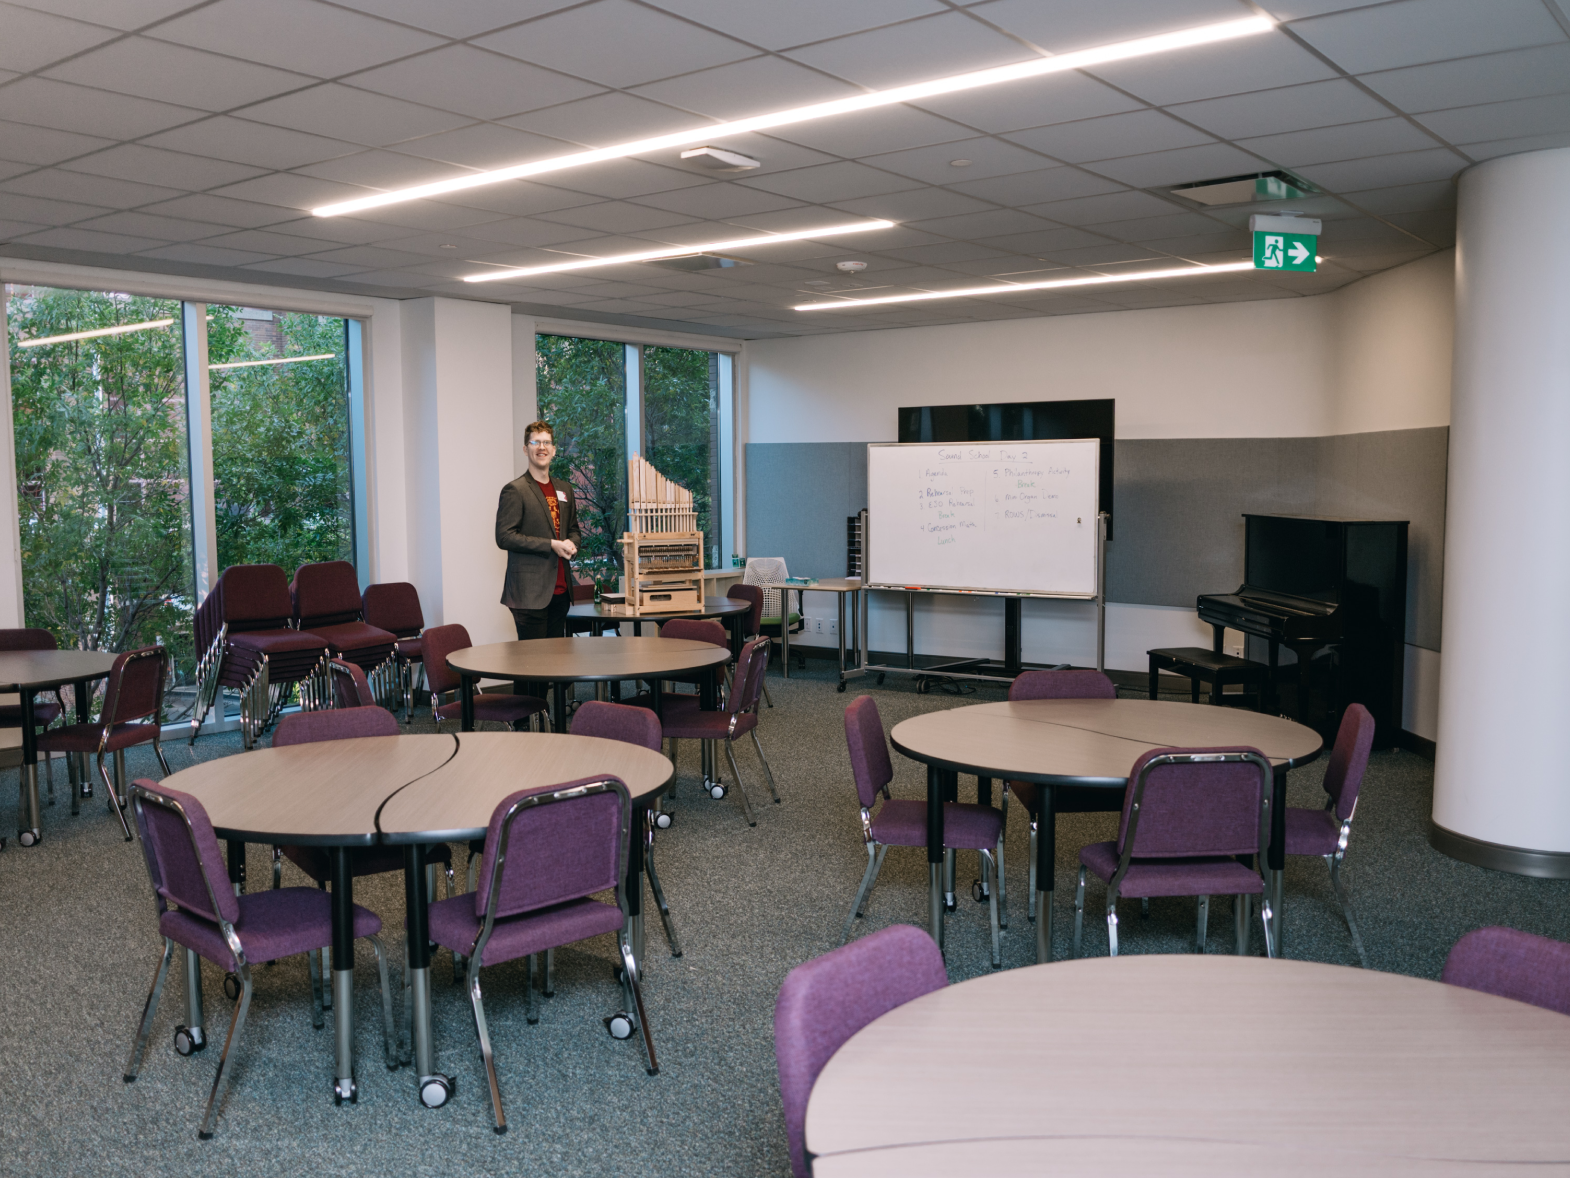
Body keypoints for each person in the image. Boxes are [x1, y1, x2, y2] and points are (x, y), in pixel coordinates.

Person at [496, 421, 581, 639]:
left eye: (546, 443)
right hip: (529, 595)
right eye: (535, 442)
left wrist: (572, 543)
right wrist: (551, 545)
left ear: (553, 450)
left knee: (555, 667)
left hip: (561, 592)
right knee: (532, 667)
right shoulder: (515, 490)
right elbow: (504, 537)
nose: (541, 447)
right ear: (526, 449)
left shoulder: (565, 489)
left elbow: (573, 530)